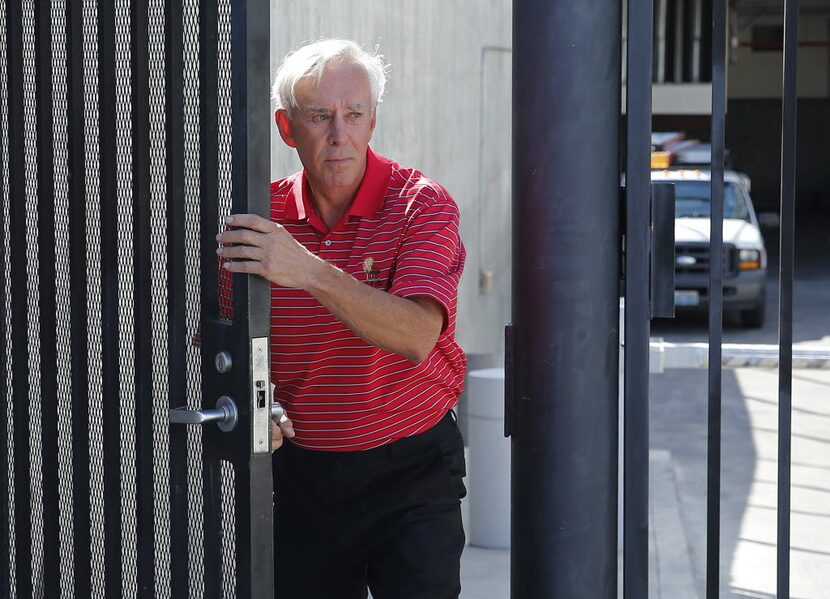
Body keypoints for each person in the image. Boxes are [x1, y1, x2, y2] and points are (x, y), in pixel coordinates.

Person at [216, 39, 467, 598]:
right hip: (300, 476)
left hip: (410, 470)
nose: (339, 134)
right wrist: (265, 403)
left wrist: (309, 271)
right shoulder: (261, 222)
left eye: (354, 115)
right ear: (287, 128)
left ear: (373, 121)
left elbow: (418, 336)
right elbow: (228, 347)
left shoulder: (421, 206)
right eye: (320, 116)